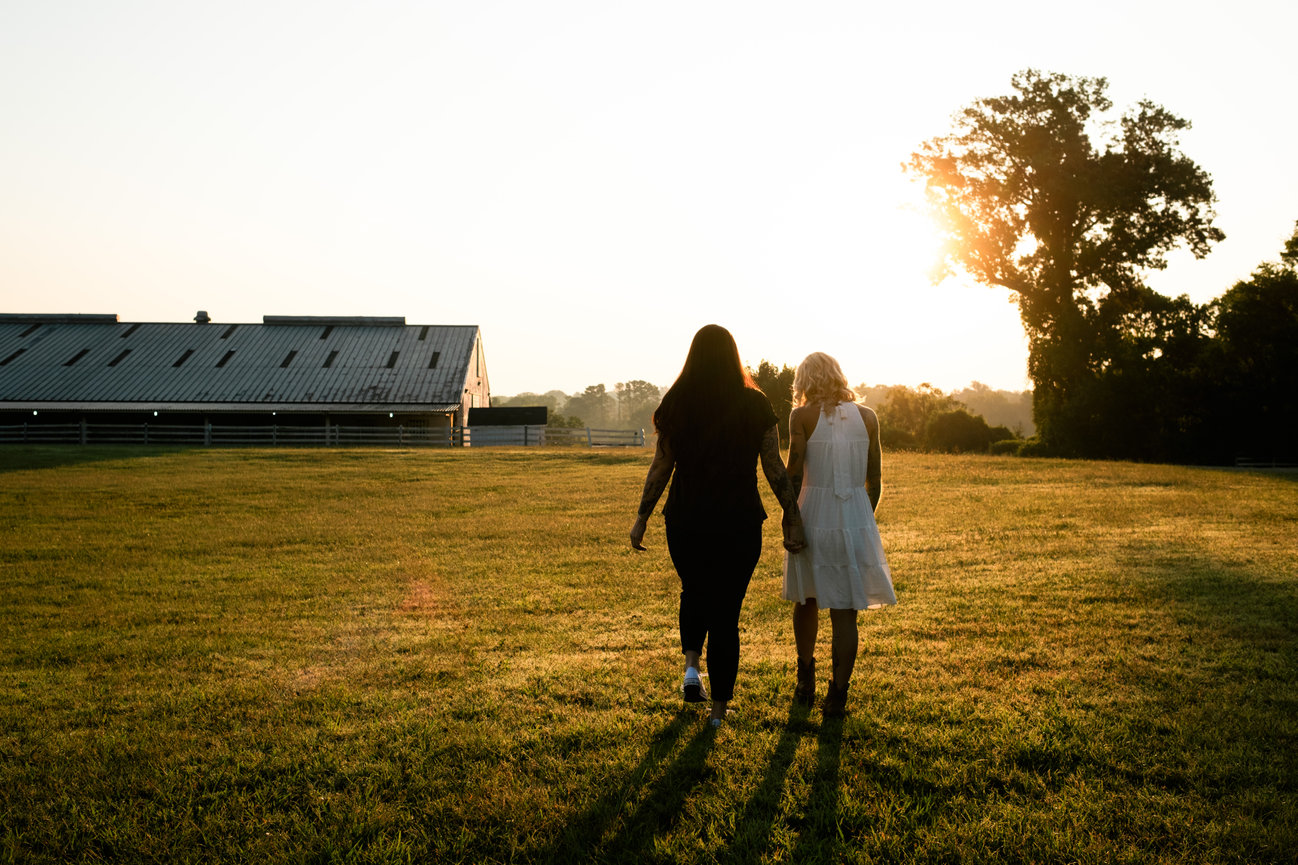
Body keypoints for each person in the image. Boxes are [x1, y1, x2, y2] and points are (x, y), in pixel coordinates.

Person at [631, 325, 805, 727]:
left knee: (694, 588)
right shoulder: (756, 404)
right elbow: (774, 467)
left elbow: (662, 466)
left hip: (686, 518)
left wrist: (641, 518)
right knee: (726, 612)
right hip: (739, 521)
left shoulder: (676, 402)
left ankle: (692, 668)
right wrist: (791, 517)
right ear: (733, 356)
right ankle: (718, 712)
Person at [782, 352, 895, 717]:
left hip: (812, 513)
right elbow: (874, 481)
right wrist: (862, 516)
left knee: (807, 599)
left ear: (804, 381)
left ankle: (805, 675)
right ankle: (838, 693)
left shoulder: (800, 416)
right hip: (855, 515)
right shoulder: (868, 417)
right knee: (846, 610)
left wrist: (791, 519)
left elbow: (794, 474)